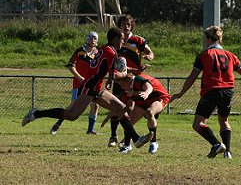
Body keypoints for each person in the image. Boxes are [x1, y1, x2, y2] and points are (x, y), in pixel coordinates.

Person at [22, 27, 153, 149]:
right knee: (71, 115)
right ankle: (35, 113)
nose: (123, 42)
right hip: (90, 87)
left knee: (120, 109)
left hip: (97, 88)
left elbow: (110, 69)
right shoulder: (111, 53)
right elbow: (117, 74)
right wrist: (123, 73)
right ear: (115, 39)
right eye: (122, 39)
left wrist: (132, 71)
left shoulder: (105, 49)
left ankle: (136, 140)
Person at [170, 26, 241, 159]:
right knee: (224, 120)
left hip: (211, 91)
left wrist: (181, 93)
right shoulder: (230, 56)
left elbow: (192, 77)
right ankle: (228, 152)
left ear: (208, 38)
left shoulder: (204, 55)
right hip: (228, 92)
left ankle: (216, 144)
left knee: (198, 123)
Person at [106, 14, 155, 147]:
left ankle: (129, 139)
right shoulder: (117, 41)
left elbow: (150, 52)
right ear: (119, 26)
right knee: (116, 105)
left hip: (133, 79)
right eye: (123, 24)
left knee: (132, 106)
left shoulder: (138, 40)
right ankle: (113, 136)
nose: (126, 26)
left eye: (128, 24)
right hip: (120, 78)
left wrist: (148, 56)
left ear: (131, 25)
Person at [104, 74, 170, 154]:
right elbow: (126, 106)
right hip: (143, 101)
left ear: (128, 80)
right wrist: (111, 115)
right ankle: (127, 145)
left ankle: (153, 143)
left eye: (122, 84)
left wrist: (146, 93)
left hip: (158, 98)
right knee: (128, 121)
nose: (121, 87)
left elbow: (149, 87)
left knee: (150, 112)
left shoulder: (138, 80)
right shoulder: (126, 90)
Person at [50, 31, 99, 135]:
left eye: (95, 39)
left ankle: (90, 130)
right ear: (87, 39)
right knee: (72, 107)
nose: (93, 40)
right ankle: (57, 124)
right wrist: (79, 77)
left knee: (95, 105)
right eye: (91, 38)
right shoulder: (80, 51)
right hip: (79, 84)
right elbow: (71, 65)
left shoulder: (96, 53)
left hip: (91, 85)